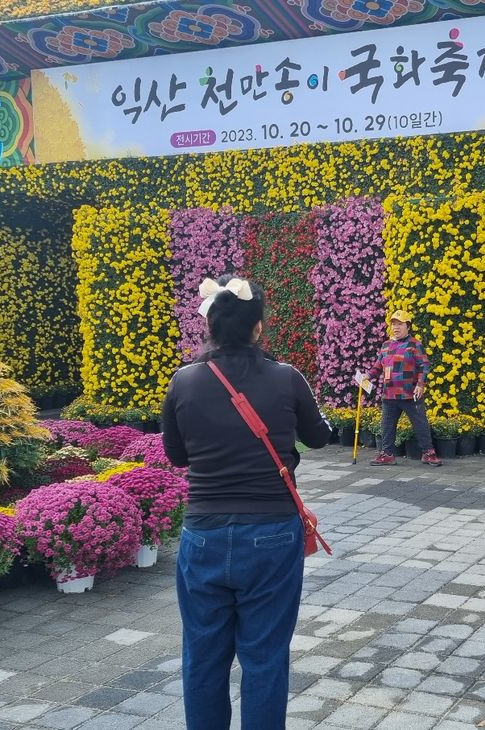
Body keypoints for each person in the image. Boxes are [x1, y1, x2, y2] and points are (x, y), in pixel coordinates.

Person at [161, 275, 333, 730]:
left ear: (210, 326)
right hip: (272, 534)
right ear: (258, 326)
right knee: (265, 658)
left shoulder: (183, 382)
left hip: (204, 534)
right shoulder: (287, 377)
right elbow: (319, 436)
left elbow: (176, 456)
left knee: (202, 657)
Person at [367, 310, 441, 467]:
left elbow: (424, 366)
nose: (396, 327)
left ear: (408, 326)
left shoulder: (415, 344)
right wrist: (367, 376)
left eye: (400, 324)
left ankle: (428, 453)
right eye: (394, 324)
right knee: (387, 426)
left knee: (420, 424)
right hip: (389, 395)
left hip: (410, 394)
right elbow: (378, 367)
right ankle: (387, 455)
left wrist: (420, 385)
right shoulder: (386, 345)